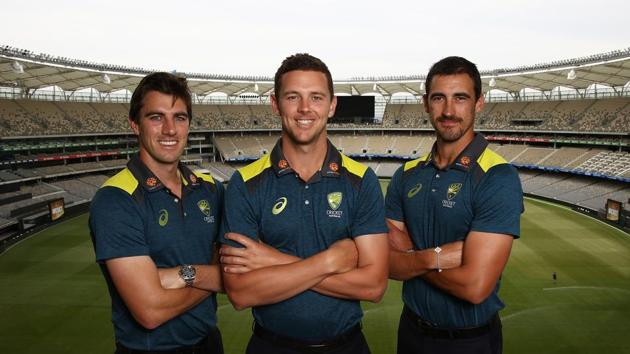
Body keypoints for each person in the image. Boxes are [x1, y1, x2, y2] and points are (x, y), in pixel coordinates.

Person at [219, 53, 389, 354]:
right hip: (270, 346)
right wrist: (330, 261)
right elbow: (241, 292)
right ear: (275, 104)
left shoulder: (362, 181)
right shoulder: (244, 184)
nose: (305, 109)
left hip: (347, 346)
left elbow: (373, 286)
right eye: (293, 97)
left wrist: (274, 260)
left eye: (317, 97)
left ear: (332, 105)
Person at [385, 56, 523, 354]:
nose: (449, 110)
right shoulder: (406, 174)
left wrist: (410, 258)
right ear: (426, 103)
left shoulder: (498, 177)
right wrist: (435, 257)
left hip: (469, 341)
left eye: (460, 98)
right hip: (410, 332)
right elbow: (385, 260)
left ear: (479, 103)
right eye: (439, 98)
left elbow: (474, 286)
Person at [89, 72, 225, 354]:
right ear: (135, 124)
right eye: (156, 117)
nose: (169, 130)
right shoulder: (115, 199)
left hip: (211, 344)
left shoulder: (210, 190)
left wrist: (184, 274)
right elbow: (150, 311)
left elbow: (239, 270)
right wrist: (213, 276)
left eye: (179, 117)